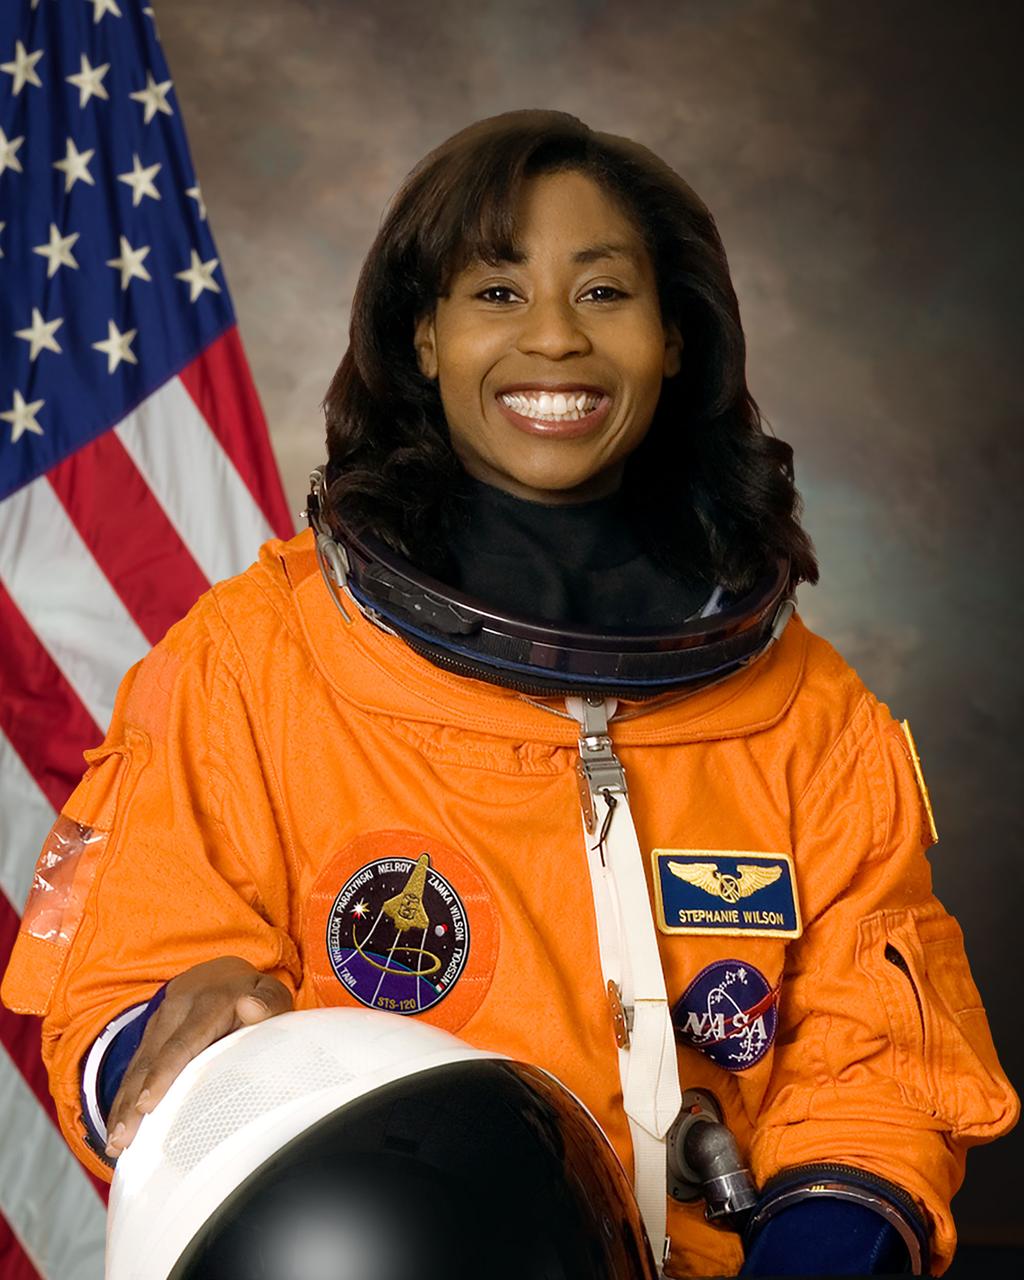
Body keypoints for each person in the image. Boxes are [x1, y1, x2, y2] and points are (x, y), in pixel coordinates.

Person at [2, 110, 1017, 1278]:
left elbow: (872, 1068)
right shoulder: (258, 660)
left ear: (675, 335)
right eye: (494, 293)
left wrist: (819, 1250)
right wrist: (186, 1031)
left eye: (602, 293)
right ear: (420, 335)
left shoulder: (806, 716)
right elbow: (123, 997)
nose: (553, 338)